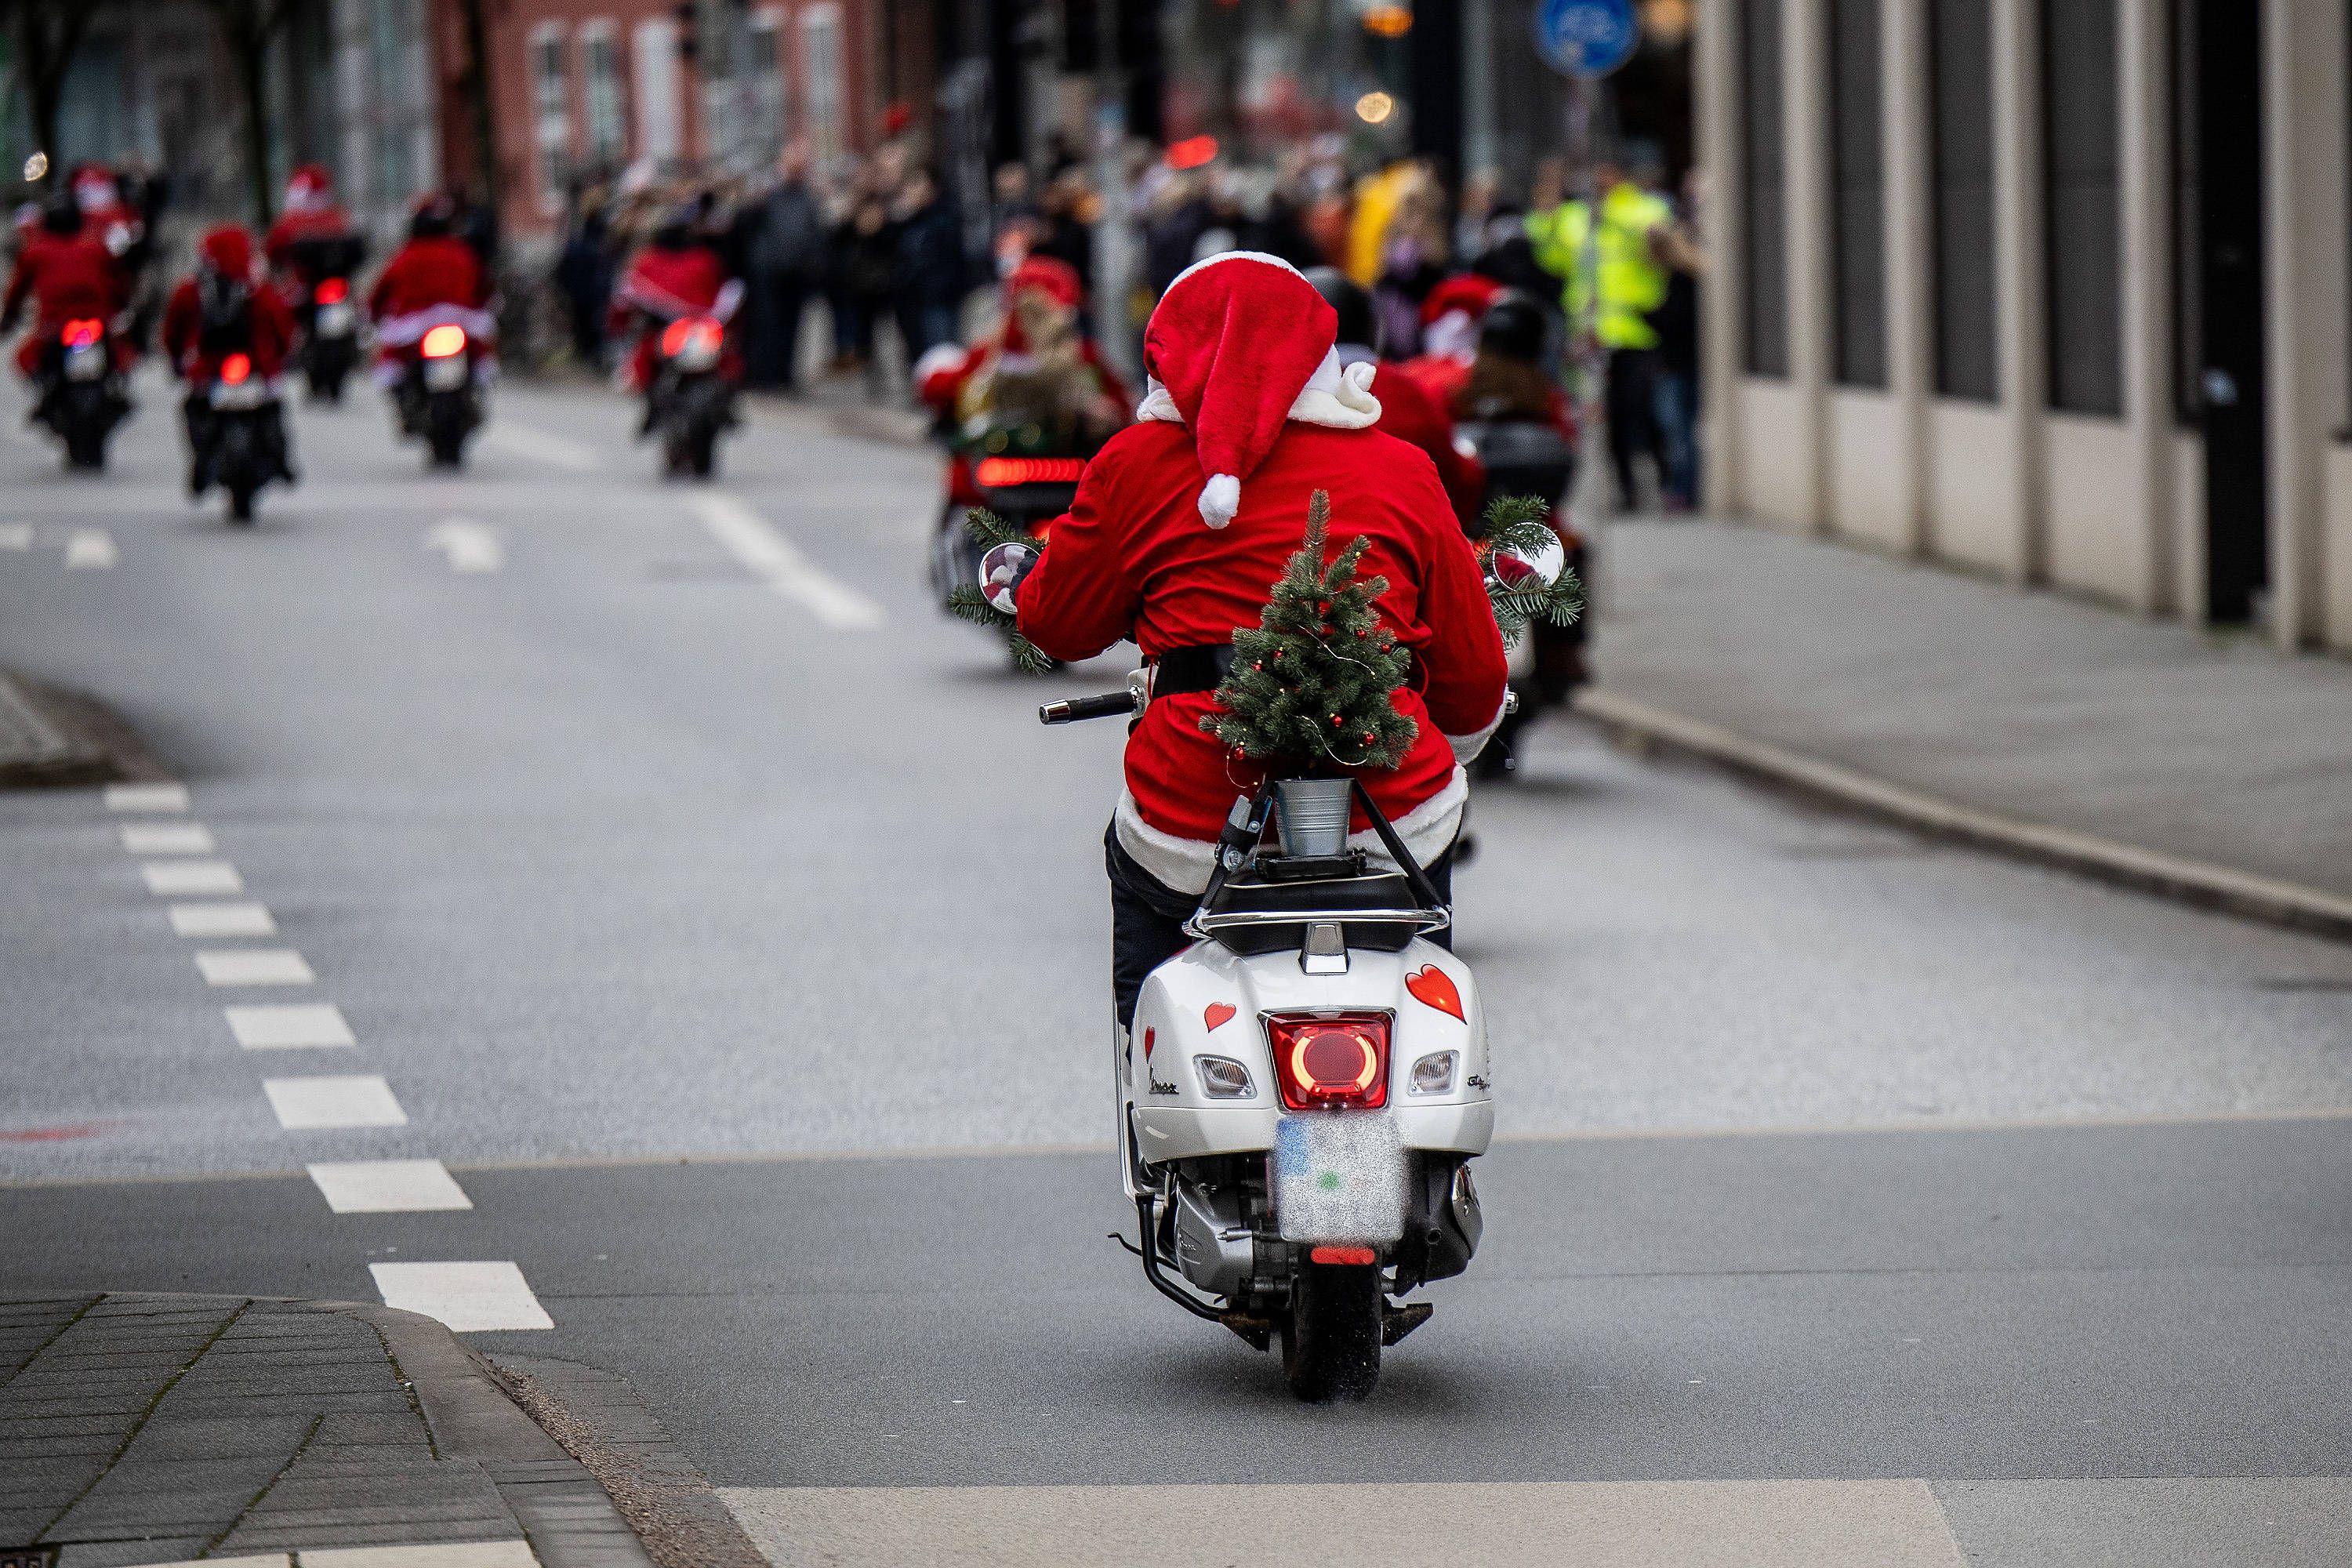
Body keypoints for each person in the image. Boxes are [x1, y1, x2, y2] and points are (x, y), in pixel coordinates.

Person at [1010, 252, 1508, 1029]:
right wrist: (1459, 733)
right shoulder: (1400, 468)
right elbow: (1473, 676)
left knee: (1150, 975)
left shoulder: (1135, 467)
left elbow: (1058, 620)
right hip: (1387, 808)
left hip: (1192, 809)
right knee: (1419, 967)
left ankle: (1153, 1105)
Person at [1526, 147, 1675, 511]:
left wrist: (1607, 215)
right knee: (1603, 417)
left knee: (1638, 410)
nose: (1599, 180)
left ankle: (1666, 476)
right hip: (1590, 334)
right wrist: (1545, 213)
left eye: (1606, 171)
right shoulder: (1576, 217)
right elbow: (1551, 256)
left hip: (1636, 330)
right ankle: (1623, 488)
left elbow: (1654, 238)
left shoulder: (1643, 208)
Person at [1304, 267, 1484, 529]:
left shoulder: (1275, 394)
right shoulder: (1409, 392)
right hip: (1395, 543)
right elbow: (1456, 485)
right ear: (1374, 330)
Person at [159, 224, 296, 495]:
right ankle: (281, 461)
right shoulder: (258, 289)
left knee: (192, 408)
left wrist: (177, 362)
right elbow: (282, 327)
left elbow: (173, 331)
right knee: (274, 406)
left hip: (209, 369)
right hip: (257, 366)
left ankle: (200, 463)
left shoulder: (192, 290)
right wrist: (279, 360)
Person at [608, 201, 743, 432]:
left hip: (687, 334)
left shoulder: (650, 261)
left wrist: (619, 326)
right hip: (689, 333)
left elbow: (624, 302)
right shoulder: (706, 259)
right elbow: (727, 299)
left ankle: (657, 409)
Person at [2, 195, 129, 414]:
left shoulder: (36, 252)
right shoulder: (96, 249)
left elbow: (17, 292)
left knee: (27, 359)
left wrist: (9, 318)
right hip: (94, 321)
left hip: (57, 325)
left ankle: (47, 393)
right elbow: (118, 286)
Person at [366, 195, 497, 386]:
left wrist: (374, 312)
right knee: (480, 361)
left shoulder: (406, 256)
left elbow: (382, 290)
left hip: (414, 325)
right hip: (460, 321)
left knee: (395, 368)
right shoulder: (463, 253)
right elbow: (484, 288)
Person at [746, 143, 827, 390]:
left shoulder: (809, 198)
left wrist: (813, 264)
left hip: (797, 273)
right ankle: (764, 374)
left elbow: (816, 234)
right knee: (768, 325)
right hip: (769, 273)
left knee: (791, 328)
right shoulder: (769, 196)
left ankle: (784, 375)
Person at [892, 167, 966, 364]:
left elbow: (950, 260)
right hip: (912, 303)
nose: (911, 191)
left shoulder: (944, 216)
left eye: (917, 184)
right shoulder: (907, 221)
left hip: (937, 300)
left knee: (942, 357)